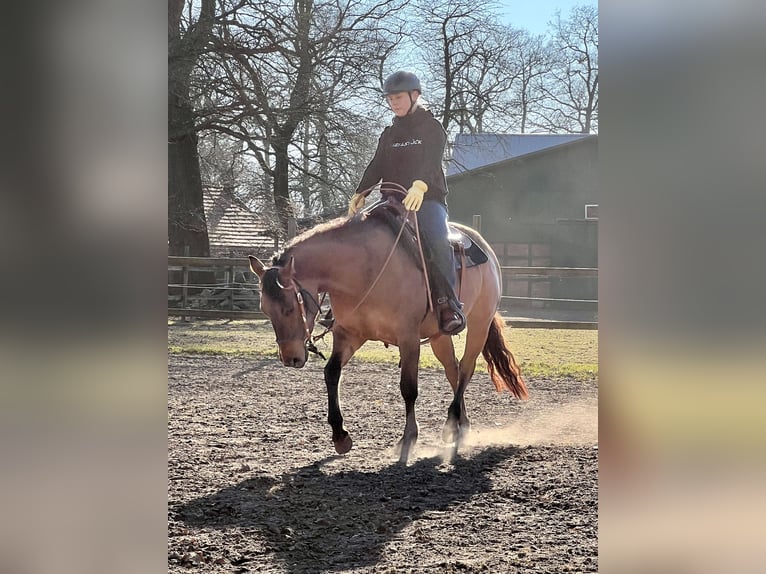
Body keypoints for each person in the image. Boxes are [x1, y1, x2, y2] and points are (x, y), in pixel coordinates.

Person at [347, 70, 466, 336]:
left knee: (437, 238)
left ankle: (448, 304)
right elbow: (377, 164)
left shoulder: (432, 128)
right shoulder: (389, 133)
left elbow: (432, 162)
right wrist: (361, 192)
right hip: (391, 201)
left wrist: (421, 185)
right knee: (360, 238)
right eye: (390, 99)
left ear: (415, 95)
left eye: (398, 97)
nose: (394, 103)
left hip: (426, 200)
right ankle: (348, 307)